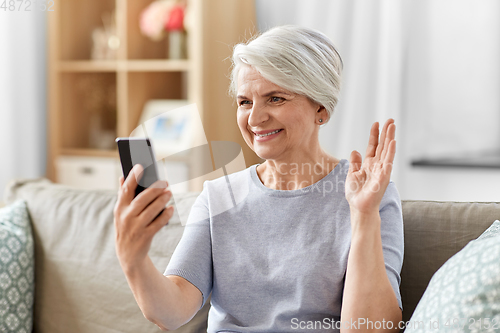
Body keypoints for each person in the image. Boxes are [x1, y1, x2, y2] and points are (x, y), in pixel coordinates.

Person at [114, 25, 404, 332]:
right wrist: (133, 260)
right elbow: (171, 314)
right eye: (245, 102)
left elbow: (371, 329)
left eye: (276, 98)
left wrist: (363, 216)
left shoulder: (370, 196)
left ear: (320, 106)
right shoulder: (218, 195)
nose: (254, 119)